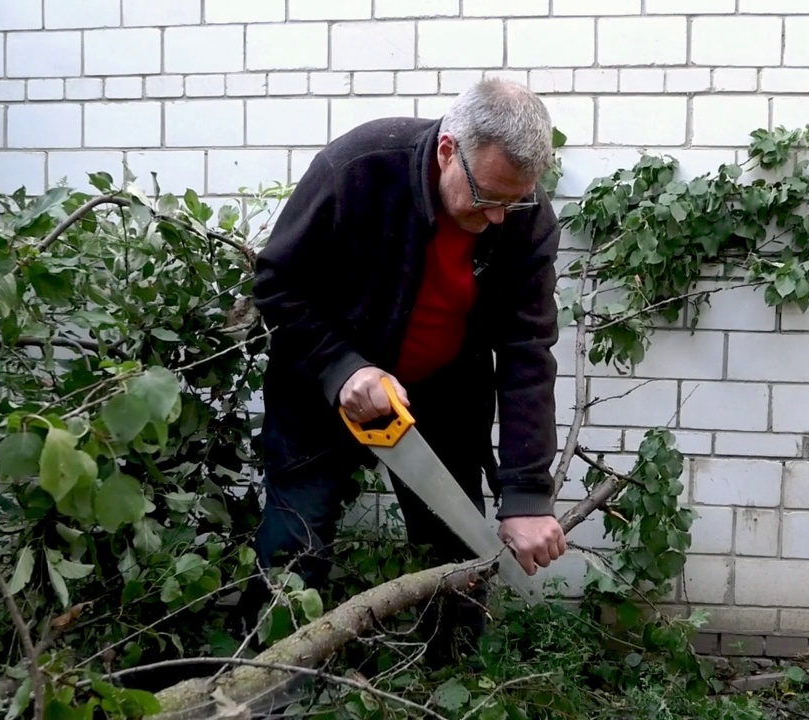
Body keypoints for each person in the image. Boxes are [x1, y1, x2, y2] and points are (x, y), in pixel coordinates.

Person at [243, 78, 568, 664]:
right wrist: (344, 370)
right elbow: (278, 283)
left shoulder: (524, 216)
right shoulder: (359, 167)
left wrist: (526, 494)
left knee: (456, 555)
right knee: (295, 544)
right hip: (320, 389)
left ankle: (453, 682)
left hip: (441, 396)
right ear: (449, 149)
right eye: (487, 196)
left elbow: (527, 351)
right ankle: (263, 685)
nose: (499, 217)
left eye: (514, 201)